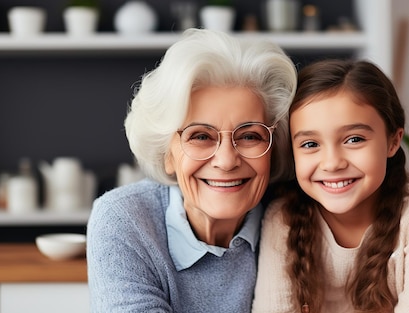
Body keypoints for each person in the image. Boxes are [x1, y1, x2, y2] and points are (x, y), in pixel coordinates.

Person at [87, 28, 297, 312]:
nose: (226, 160)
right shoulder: (125, 220)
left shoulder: (294, 217)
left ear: (272, 148)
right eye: (200, 136)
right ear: (167, 154)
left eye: (249, 136)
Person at [252, 59, 409, 313]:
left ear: (393, 141)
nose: (332, 163)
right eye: (310, 144)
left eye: (354, 139)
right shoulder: (283, 219)